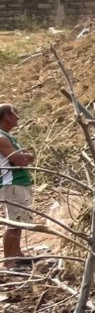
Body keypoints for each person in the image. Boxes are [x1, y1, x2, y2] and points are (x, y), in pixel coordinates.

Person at [0, 103, 35, 269]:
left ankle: (17, 254)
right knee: (13, 223)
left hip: (20, 182)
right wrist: (26, 156)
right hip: (11, 184)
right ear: (7, 116)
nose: (18, 117)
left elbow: (25, 157)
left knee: (19, 221)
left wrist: (25, 156)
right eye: (15, 113)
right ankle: (8, 260)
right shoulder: (1, 137)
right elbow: (20, 159)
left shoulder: (7, 136)